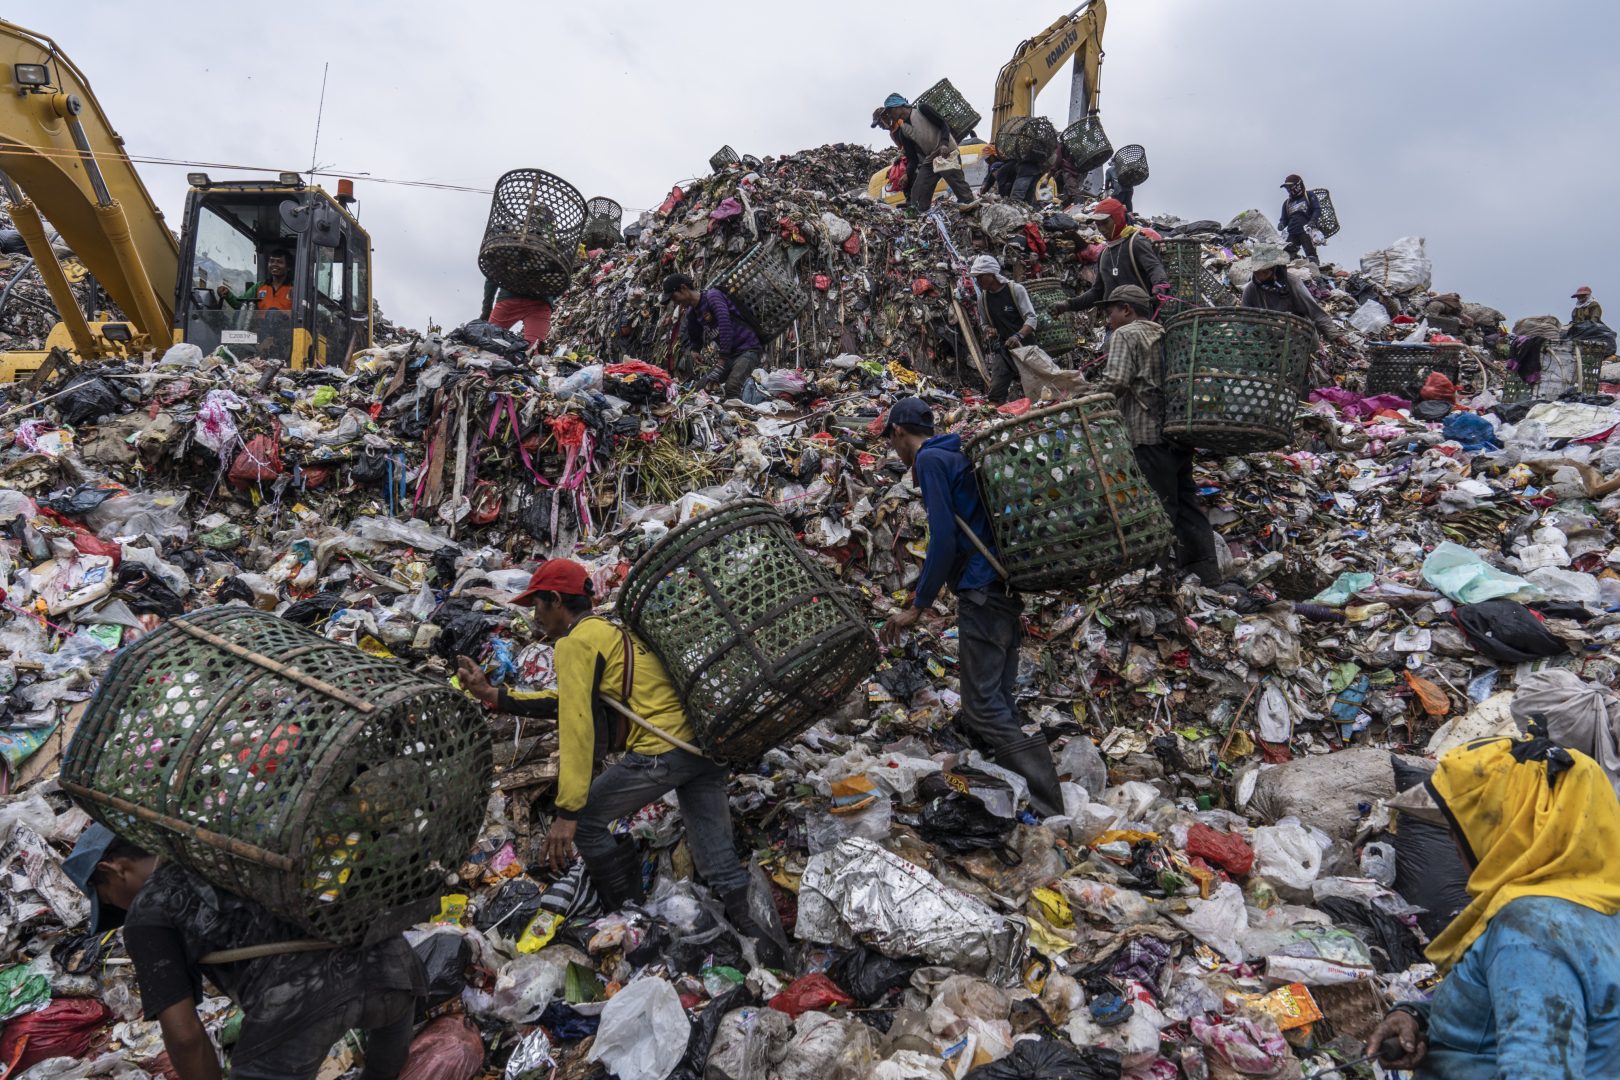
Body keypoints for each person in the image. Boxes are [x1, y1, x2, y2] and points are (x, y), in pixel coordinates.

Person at [453, 559, 781, 963]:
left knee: (588, 820)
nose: (535, 617)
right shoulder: (609, 632)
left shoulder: (574, 643)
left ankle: (633, 924)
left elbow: (577, 724)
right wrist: (494, 695)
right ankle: (774, 962)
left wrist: (567, 810)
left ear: (556, 600)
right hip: (701, 748)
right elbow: (569, 702)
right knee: (720, 865)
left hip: (662, 750)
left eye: (537, 605)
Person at [64, 824, 423, 1080]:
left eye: (108, 899)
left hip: (300, 1006)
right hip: (393, 967)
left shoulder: (147, 912)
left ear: (113, 869)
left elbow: (186, 1036)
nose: (120, 909)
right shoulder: (223, 840)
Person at [1363, 726, 1620, 1077]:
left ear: (1512, 832)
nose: (1453, 839)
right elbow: (1507, 1007)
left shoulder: (1529, 931)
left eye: (1465, 825)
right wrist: (1415, 1017)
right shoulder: (1599, 905)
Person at [877, 397, 1063, 817]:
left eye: (892, 441)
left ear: (899, 432)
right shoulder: (952, 451)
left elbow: (943, 538)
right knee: (998, 696)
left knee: (982, 705)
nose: (894, 450)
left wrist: (918, 605)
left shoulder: (929, 461)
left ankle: (1050, 807)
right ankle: (1017, 793)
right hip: (1003, 586)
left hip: (982, 589)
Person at [1089, 285, 1221, 585]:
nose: (1108, 317)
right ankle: (1207, 572)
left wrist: (1086, 401)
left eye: (1110, 310)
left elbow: (1116, 381)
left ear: (1127, 309)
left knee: (1158, 506)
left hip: (1147, 435)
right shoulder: (1164, 333)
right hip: (1177, 434)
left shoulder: (1126, 334)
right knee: (1188, 503)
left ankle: (1155, 577)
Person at [662, 272, 765, 400]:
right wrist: (695, 350)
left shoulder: (713, 296)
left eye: (674, 297)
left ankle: (739, 417)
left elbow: (725, 326)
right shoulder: (692, 312)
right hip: (730, 355)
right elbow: (694, 333)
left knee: (732, 387)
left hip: (748, 349)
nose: (675, 302)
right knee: (699, 389)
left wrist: (721, 361)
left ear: (683, 288)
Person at [873, 93, 979, 214]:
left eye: (890, 112)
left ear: (897, 107)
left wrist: (944, 143)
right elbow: (912, 158)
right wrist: (907, 174)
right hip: (931, 158)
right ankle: (920, 213)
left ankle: (969, 204)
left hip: (946, 151)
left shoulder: (922, 109)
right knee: (919, 189)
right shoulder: (904, 132)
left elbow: (943, 124)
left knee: (953, 178)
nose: (890, 116)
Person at [1062, 198, 1169, 315]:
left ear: (1118, 219)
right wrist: (1067, 305)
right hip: (1114, 323)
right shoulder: (1104, 254)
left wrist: (1160, 287)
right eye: (1098, 224)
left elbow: (1154, 267)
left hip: (1139, 321)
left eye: (1105, 223)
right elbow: (1097, 292)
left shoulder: (1136, 243)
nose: (1102, 229)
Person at [1240, 246, 1345, 343]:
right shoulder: (1251, 289)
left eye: (1265, 273)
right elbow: (1245, 318)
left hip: (1296, 333)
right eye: (1257, 273)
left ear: (1275, 270)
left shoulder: (1292, 283)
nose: (1260, 277)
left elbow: (1315, 312)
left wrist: (1334, 334)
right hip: (1267, 335)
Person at [971, 254, 1037, 404]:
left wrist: (1018, 336)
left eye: (981, 277)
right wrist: (989, 330)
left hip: (1026, 346)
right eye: (977, 277)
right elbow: (984, 324)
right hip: (1003, 349)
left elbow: (1032, 319)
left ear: (992, 275)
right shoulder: (983, 299)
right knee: (995, 393)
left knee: (1038, 388)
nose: (978, 281)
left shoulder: (1015, 290)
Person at [480, 278, 552, 348]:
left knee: (489, 343)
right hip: (541, 304)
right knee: (533, 350)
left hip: (509, 299)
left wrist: (486, 309)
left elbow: (492, 276)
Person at [217, 247, 294, 311]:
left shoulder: (295, 288)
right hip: (261, 328)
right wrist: (227, 294)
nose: (274, 264)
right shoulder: (260, 286)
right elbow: (239, 304)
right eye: (272, 261)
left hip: (286, 328)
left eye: (279, 262)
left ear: (288, 267)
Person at [1277, 175, 1323, 261]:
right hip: (1292, 232)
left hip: (1306, 231)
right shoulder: (1287, 203)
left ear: (1298, 185)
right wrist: (1281, 224)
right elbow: (1284, 219)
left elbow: (1317, 210)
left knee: (1311, 254)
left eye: (1290, 187)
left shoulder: (1308, 195)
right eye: (1287, 188)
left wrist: (1313, 221)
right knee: (1287, 254)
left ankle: (1314, 271)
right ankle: (1294, 270)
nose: (1289, 190)